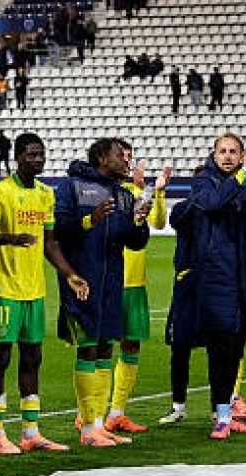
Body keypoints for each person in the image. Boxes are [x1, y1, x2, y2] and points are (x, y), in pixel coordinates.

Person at [169, 127, 246, 439]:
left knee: (236, 346)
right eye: (223, 151)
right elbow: (214, 203)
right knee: (221, 348)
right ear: (214, 154)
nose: (228, 156)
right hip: (216, 277)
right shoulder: (203, 181)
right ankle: (221, 415)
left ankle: (227, 412)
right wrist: (245, 174)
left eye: (234, 151)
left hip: (245, 276)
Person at [0, 132, 84, 456]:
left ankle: (30, 433)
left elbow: (50, 243)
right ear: (19, 157)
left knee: (33, 357)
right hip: (4, 288)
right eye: (33, 155)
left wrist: (70, 274)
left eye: (42, 155)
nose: (39, 160)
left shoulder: (45, 194)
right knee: (1, 358)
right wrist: (10, 238)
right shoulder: (0, 192)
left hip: (33, 289)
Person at [52, 138, 149, 447]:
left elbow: (134, 242)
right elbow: (59, 231)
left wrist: (138, 223)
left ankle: (98, 422)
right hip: (81, 281)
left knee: (106, 348)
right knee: (89, 348)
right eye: (120, 155)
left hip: (112, 285)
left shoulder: (123, 195)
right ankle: (87, 428)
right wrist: (88, 220)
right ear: (102, 159)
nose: (126, 160)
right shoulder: (71, 187)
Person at [106, 143, 168, 433]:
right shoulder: (106, 194)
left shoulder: (135, 194)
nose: (128, 162)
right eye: (124, 157)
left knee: (131, 346)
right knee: (101, 348)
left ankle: (117, 412)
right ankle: (89, 412)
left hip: (135, 283)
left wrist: (157, 192)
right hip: (111, 280)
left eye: (131, 158)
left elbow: (157, 221)